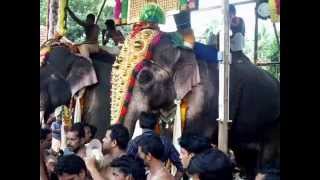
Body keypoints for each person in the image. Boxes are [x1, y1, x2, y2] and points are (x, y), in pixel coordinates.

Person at [127, 112, 183, 179]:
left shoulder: (134, 143)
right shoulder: (165, 142)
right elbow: (181, 166)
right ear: (157, 125)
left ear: (140, 125)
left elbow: (126, 167)